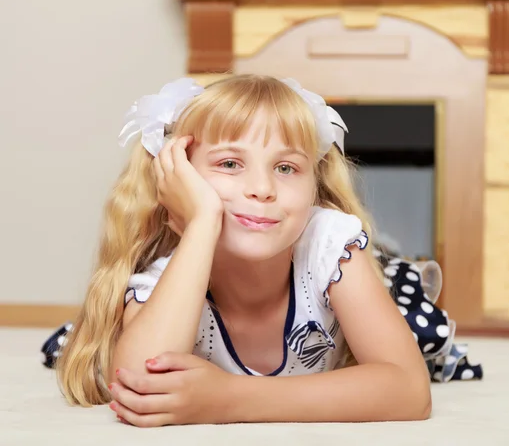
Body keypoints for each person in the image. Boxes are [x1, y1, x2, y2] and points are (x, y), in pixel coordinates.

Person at [50, 74, 481, 427]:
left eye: (286, 167)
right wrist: (200, 225)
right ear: (177, 180)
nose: (261, 189)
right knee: (97, 339)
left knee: (419, 331)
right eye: (230, 164)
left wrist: (229, 398)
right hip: (180, 266)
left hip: (366, 290)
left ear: (315, 183)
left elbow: (408, 391)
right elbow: (140, 388)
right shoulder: (164, 279)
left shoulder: (327, 247)